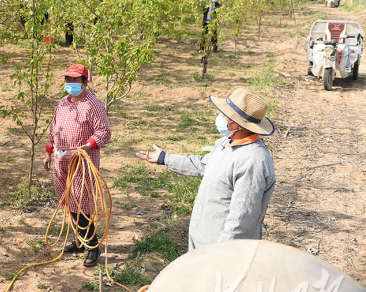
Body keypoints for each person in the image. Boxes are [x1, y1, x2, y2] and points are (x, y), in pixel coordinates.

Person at [136, 88, 276, 251]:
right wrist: (164, 158)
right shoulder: (226, 143)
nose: (221, 117)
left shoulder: (252, 161)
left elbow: (241, 220)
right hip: (203, 241)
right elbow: (203, 165)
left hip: (223, 252)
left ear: (238, 124)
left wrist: (218, 254)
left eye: (226, 115)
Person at [43, 63, 112, 267]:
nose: (70, 83)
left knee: (81, 203)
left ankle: (91, 245)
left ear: (84, 82)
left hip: (82, 162)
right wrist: (48, 153)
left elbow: (104, 132)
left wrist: (88, 146)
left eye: (75, 80)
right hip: (60, 162)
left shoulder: (93, 105)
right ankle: (80, 241)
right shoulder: (62, 104)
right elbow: (53, 129)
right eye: (68, 80)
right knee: (68, 202)